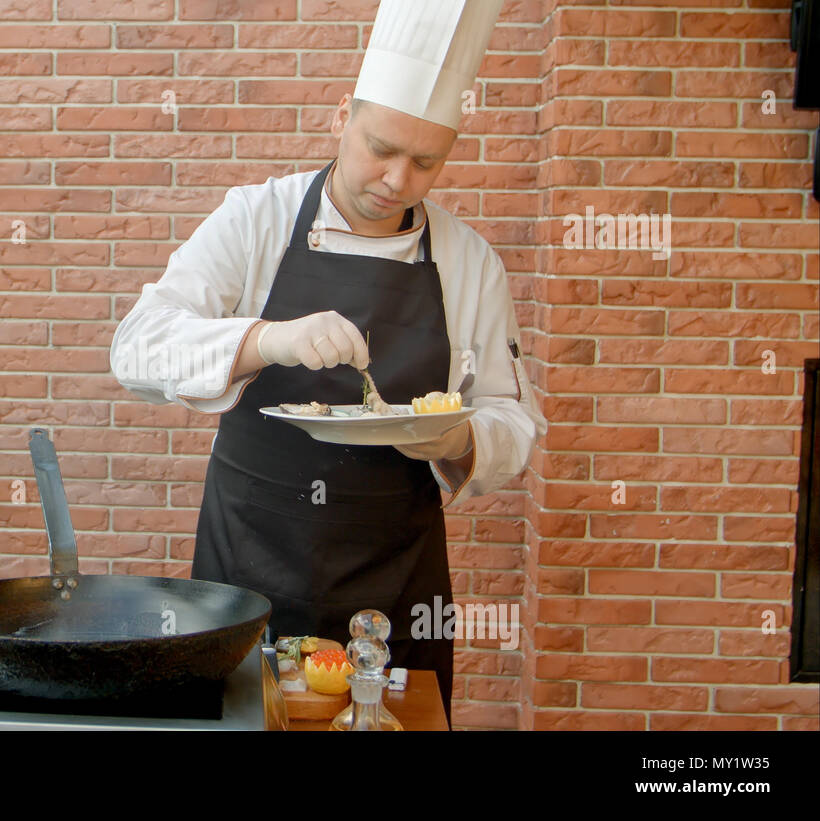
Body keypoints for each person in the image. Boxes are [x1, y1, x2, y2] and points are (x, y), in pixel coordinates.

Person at [109, 0, 545, 723]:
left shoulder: (469, 262)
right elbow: (136, 345)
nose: (398, 180)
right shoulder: (257, 217)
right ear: (343, 114)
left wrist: (458, 438)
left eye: (425, 161)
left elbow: (514, 421)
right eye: (381, 146)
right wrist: (264, 340)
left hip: (395, 589)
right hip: (248, 566)